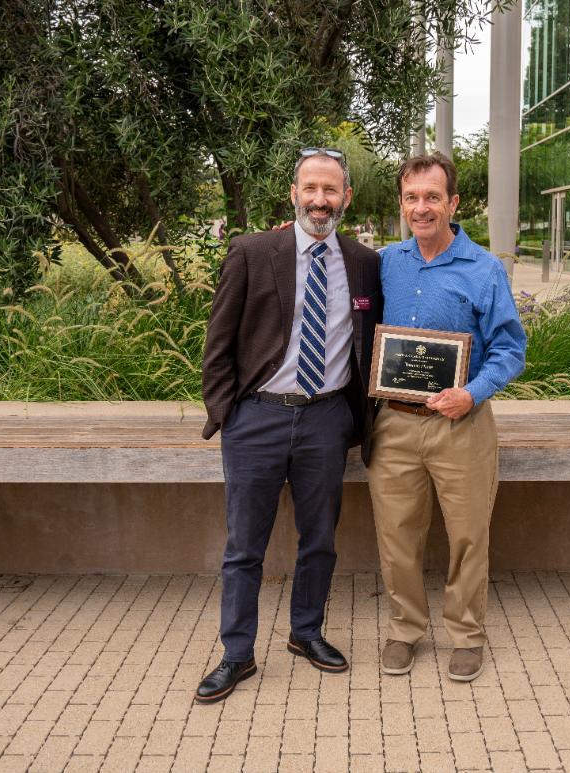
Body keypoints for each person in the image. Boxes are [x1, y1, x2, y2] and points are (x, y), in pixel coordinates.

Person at [197, 148, 382, 703]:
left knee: (320, 540)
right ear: (294, 194)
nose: (320, 200)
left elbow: (373, 340)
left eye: (331, 191)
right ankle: (236, 654)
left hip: (327, 417)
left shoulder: (365, 262)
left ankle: (306, 634)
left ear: (346, 197)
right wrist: (227, 413)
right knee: (243, 547)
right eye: (311, 189)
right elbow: (218, 343)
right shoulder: (253, 252)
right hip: (256, 418)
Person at [370, 151, 526, 682]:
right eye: (412, 198)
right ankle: (405, 630)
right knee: (396, 534)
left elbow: (510, 350)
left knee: (467, 535)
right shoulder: (386, 262)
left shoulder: (484, 270)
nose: (422, 207)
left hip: (462, 423)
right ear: (402, 204)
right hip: (394, 422)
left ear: (453, 203)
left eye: (432, 196)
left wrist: (473, 392)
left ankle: (465, 635)